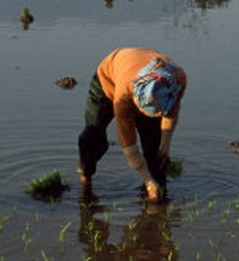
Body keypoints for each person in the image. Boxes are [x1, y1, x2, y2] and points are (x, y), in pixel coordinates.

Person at [78, 47, 186, 202]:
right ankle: (85, 179)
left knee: (155, 152)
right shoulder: (124, 98)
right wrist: (148, 182)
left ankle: (158, 201)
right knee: (92, 135)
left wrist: (165, 146)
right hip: (107, 80)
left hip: (145, 81)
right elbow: (129, 146)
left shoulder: (177, 79)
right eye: (145, 112)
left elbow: (171, 112)